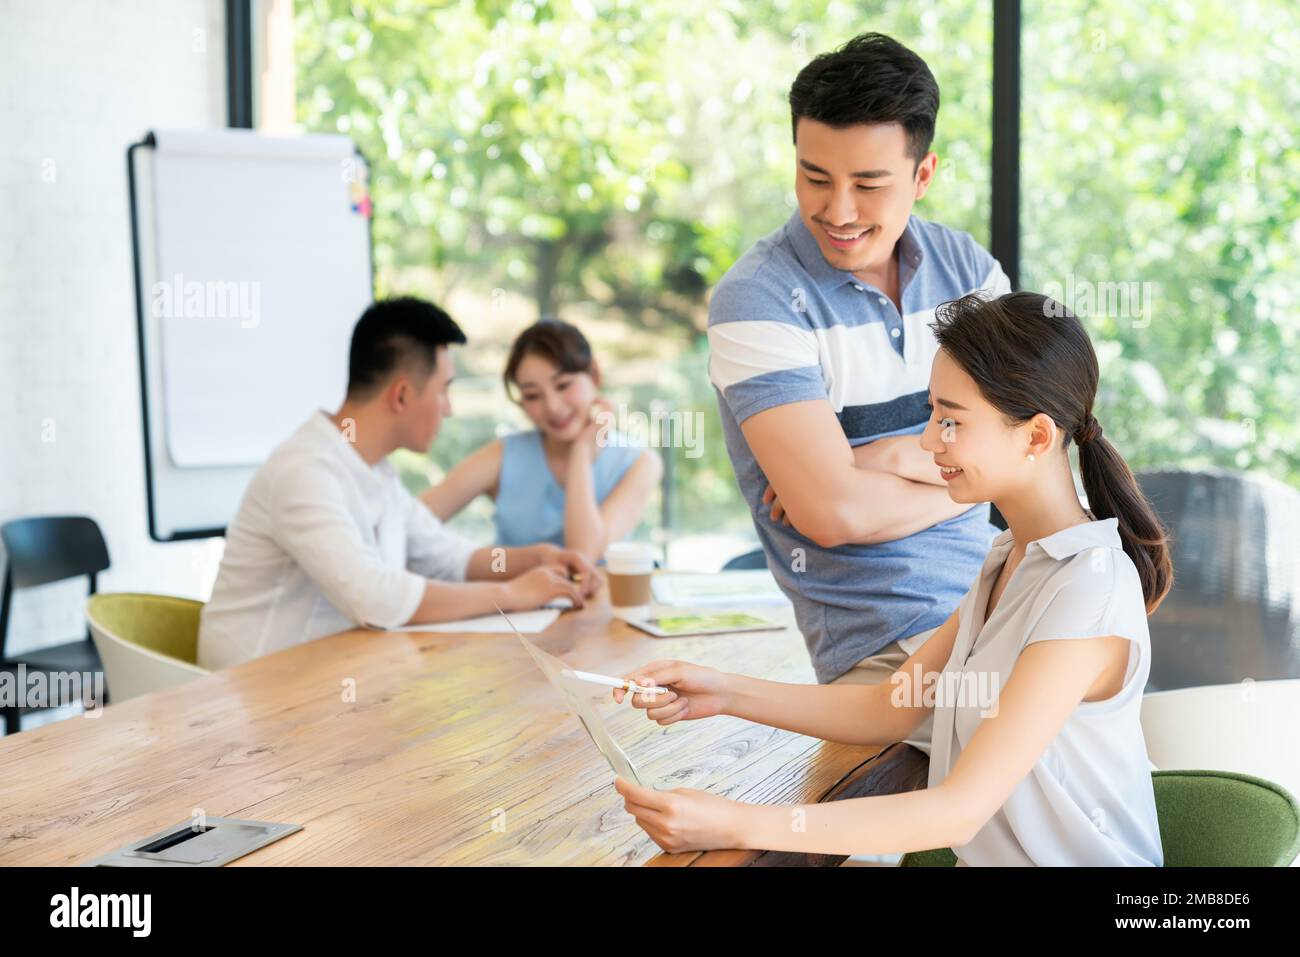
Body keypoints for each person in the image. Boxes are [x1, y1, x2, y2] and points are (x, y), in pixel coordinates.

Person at [612, 291, 1173, 866]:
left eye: (951, 420)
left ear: (1034, 437)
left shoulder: (1088, 588)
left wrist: (736, 821)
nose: (929, 441)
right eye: (932, 413)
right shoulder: (1008, 558)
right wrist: (723, 691)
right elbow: (891, 705)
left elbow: (959, 808)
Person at [706, 32, 1015, 753]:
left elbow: (1039, 450)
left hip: (1005, 605)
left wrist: (882, 458)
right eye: (815, 177)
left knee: (1112, 721)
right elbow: (832, 512)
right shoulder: (758, 299)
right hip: (885, 652)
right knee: (1035, 756)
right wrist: (967, 472)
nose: (838, 210)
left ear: (923, 173)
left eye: (868, 184)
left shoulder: (967, 269)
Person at [198, 297, 599, 671]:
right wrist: (512, 594)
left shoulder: (374, 470)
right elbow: (373, 596)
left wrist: (538, 558)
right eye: (444, 390)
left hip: (332, 674)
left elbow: (448, 557)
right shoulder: (305, 471)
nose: (449, 408)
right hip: (255, 690)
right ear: (402, 395)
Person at [421, 318, 662, 563]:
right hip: (511, 601)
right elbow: (409, 520)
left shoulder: (639, 462)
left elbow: (584, 555)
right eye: (532, 395)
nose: (553, 407)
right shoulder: (504, 456)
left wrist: (581, 454)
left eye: (563, 385)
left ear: (594, 374)